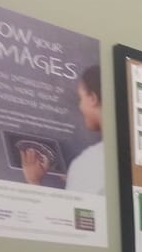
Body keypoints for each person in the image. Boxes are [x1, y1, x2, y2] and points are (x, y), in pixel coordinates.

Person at [21, 65, 104, 194]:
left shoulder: (87, 162)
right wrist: (75, 179)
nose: (80, 106)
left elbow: (72, 207)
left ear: (93, 98)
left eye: (81, 98)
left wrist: (34, 181)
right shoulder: (87, 165)